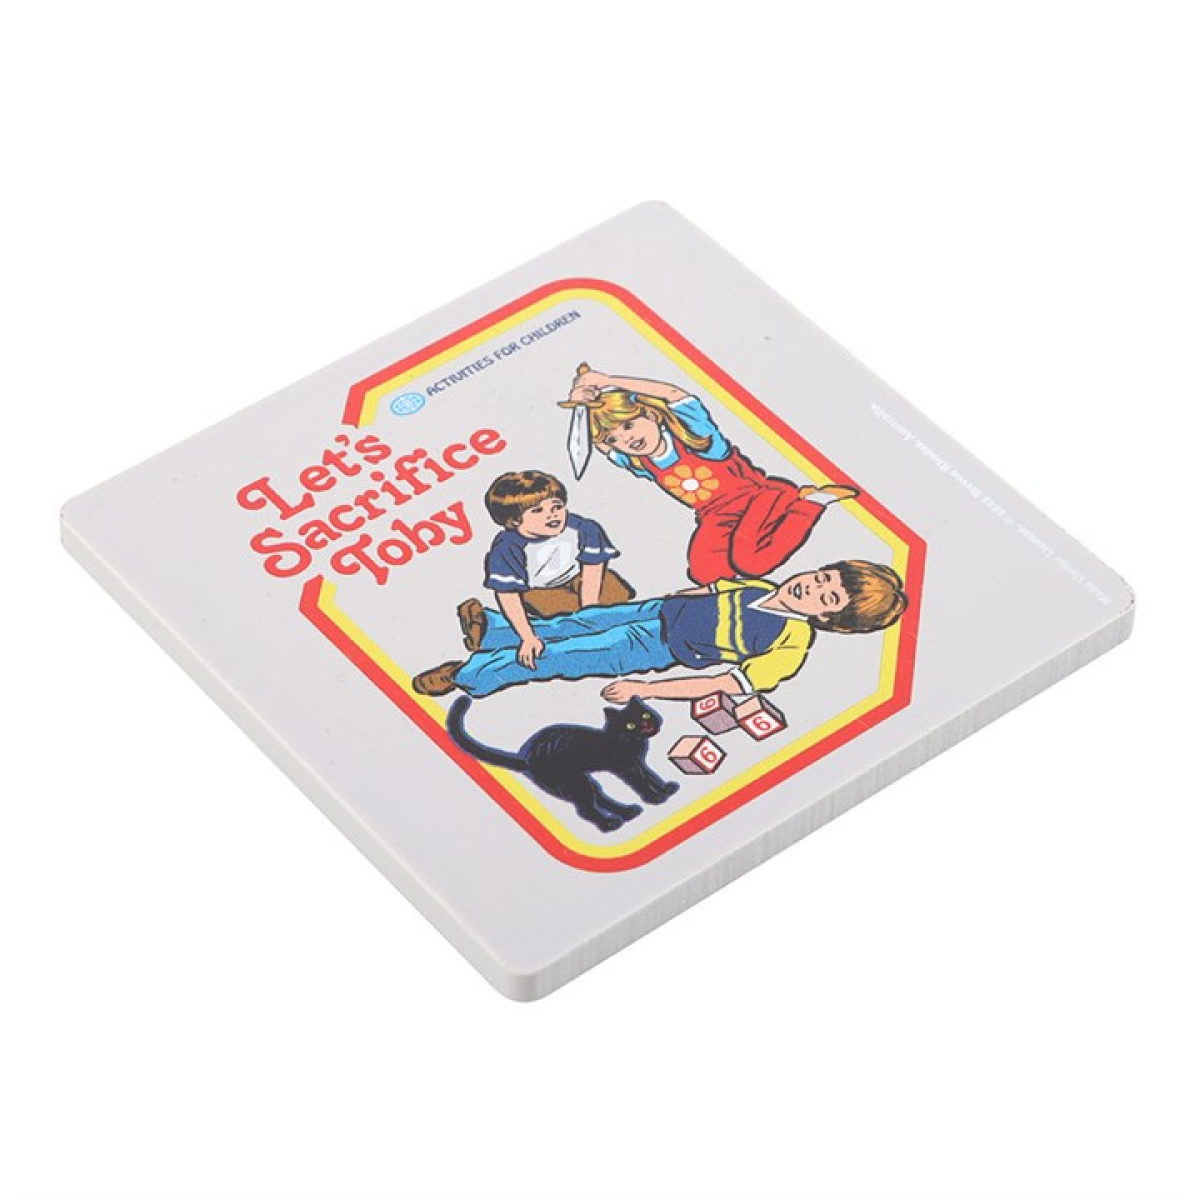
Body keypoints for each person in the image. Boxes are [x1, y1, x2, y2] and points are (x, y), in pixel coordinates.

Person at [413, 560, 907, 700]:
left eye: (827, 597)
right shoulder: (762, 584)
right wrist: (682, 595)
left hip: (653, 647)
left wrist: (645, 689)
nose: (812, 587)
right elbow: (714, 589)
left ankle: (472, 674)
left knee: (566, 654)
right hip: (656, 610)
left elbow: (719, 683)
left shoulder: (791, 644)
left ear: (829, 619)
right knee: (572, 623)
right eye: (822, 577)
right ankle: (494, 631)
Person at [562, 367, 858, 585]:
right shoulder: (641, 463)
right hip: (715, 515)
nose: (626, 439)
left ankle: (810, 503)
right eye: (614, 438)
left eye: (628, 426)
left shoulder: (698, 439)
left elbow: (675, 394)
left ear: (650, 414)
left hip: (759, 497)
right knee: (704, 573)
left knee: (750, 562)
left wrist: (608, 381)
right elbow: (595, 444)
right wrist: (581, 404)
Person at [471, 470, 635, 667]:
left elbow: (593, 569)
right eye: (537, 511)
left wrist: (590, 612)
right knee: (565, 616)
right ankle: (489, 628)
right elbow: (508, 594)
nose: (552, 515)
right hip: (539, 590)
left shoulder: (584, 528)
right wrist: (527, 637)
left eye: (557, 506)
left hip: (578, 579)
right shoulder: (507, 547)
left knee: (615, 596)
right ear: (514, 520)